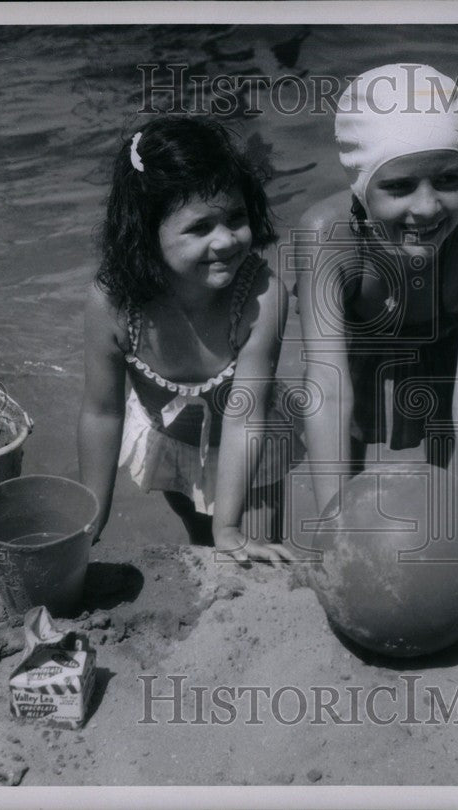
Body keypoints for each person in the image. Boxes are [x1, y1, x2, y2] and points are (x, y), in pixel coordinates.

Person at [294, 64, 458, 516]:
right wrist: (335, 532)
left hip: (448, 346)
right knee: (348, 437)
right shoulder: (326, 235)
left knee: (450, 446)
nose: (428, 206)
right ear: (360, 185)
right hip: (363, 343)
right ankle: (342, 524)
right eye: (398, 186)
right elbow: (329, 393)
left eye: (449, 180)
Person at [79, 116, 296, 563]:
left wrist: (231, 527)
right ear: (144, 232)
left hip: (252, 439)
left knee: (260, 548)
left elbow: (247, 415)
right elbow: (102, 412)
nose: (226, 240)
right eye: (200, 228)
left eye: (236, 217)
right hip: (172, 443)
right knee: (203, 544)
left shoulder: (261, 294)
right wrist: (91, 521)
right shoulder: (114, 305)